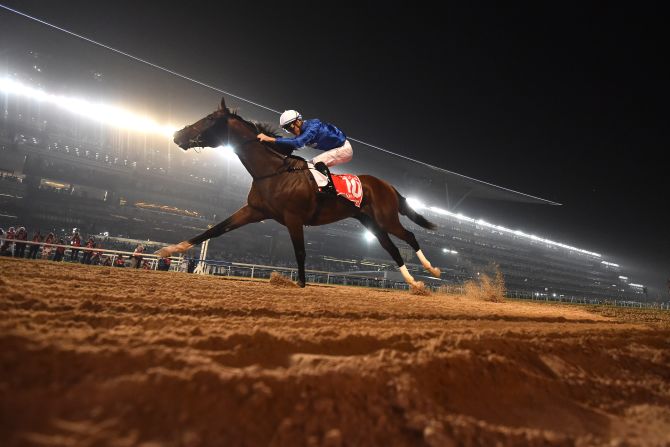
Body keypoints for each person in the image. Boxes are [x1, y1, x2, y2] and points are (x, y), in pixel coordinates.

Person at [256, 110, 352, 196]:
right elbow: (291, 142)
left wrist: (270, 139)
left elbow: (298, 142)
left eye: (290, 128)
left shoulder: (313, 126)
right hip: (337, 149)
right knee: (308, 165)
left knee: (315, 163)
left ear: (297, 121)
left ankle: (329, 189)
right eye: (287, 129)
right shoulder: (303, 130)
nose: (290, 131)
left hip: (344, 149)